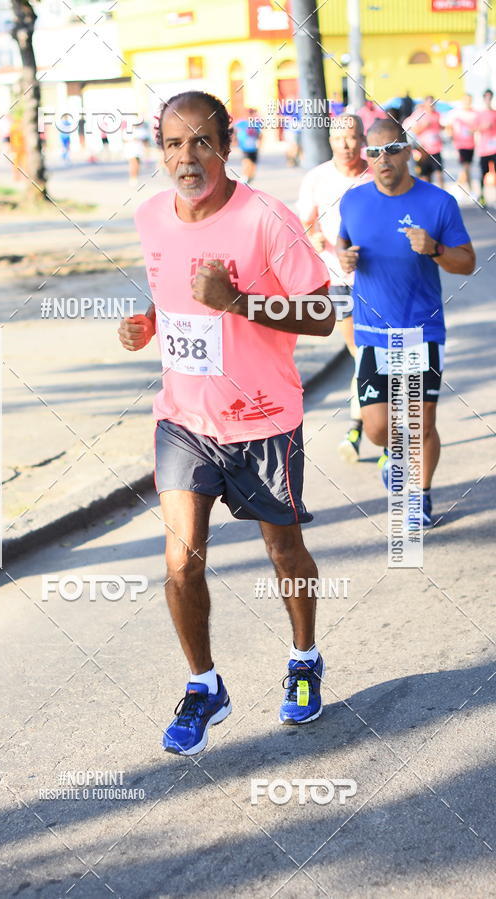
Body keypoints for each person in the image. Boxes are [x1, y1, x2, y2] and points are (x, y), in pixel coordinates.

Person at [118, 90, 333, 755]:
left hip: (264, 419)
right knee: (181, 562)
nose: (188, 157)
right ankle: (204, 684)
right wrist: (146, 323)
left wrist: (239, 300)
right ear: (161, 151)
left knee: (284, 551)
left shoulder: (268, 219)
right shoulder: (151, 215)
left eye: (201, 141)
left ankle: (304, 658)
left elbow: (323, 317)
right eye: (175, 144)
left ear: (227, 143)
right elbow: (171, 294)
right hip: (184, 419)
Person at [337, 118, 476, 527]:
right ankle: (395, 455)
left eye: (392, 149)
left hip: (420, 330)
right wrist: (344, 256)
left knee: (421, 423)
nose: (383, 159)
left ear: (409, 151)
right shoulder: (353, 201)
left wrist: (434, 248)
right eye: (374, 151)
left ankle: (420, 496)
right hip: (372, 333)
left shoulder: (438, 203)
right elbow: (344, 240)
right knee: (379, 429)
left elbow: (466, 262)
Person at [298, 114, 373, 462]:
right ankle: (363, 424)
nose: (347, 145)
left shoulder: (376, 174)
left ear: (363, 139)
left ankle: (360, 427)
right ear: (329, 140)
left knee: (375, 355)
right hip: (340, 281)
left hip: (380, 279)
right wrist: (313, 235)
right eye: (339, 138)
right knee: (361, 353)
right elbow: (305, 219)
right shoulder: (317, 178)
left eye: (353, 137)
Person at [404, 95, 444, 188]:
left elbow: (440, 128)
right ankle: (427, 192)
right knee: (425, 175)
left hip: (436, 148)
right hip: (423, 150)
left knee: (439, 172)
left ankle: (442, 192)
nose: (431, 105)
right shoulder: (419, 114)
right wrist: (424, 126)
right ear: (425, 103)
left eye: (433, 103)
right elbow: (413, 130)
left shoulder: (437, 114)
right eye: (429, 102)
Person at [447, 94, 479, 193]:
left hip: (471, 144)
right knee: (466, 167)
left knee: (466, 166)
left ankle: (458, 186)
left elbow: (478, 126)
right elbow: (449, 126)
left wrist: (474, 131)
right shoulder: (456, 113)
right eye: (466, 100)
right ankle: (470, 189)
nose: (467, 102)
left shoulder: (475, 113)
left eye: (469, 100)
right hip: (460, 144)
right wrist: (451, 136)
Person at [476, 88, 496, 207]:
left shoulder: (494, 113)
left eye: (490, 97)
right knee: (483, 173)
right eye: (486, 97)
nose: (488, 99)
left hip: (494, 148)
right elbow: (474, 128)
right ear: (484, 98)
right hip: (484, 149)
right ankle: (482, 196)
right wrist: (483, 127)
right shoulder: (480, 114)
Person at [234, 109, 262, 183]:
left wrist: (260, 143)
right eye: (249, 113)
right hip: (244, 147)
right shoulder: (241, 123)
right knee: (246, 163)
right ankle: (244, 177)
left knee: (253, 165)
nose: (251, 115)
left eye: (252, 113)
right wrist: (235, 141)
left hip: (254, 147)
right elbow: (234, 131)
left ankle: (249, 177)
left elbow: (260, 135)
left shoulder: (256, 124)